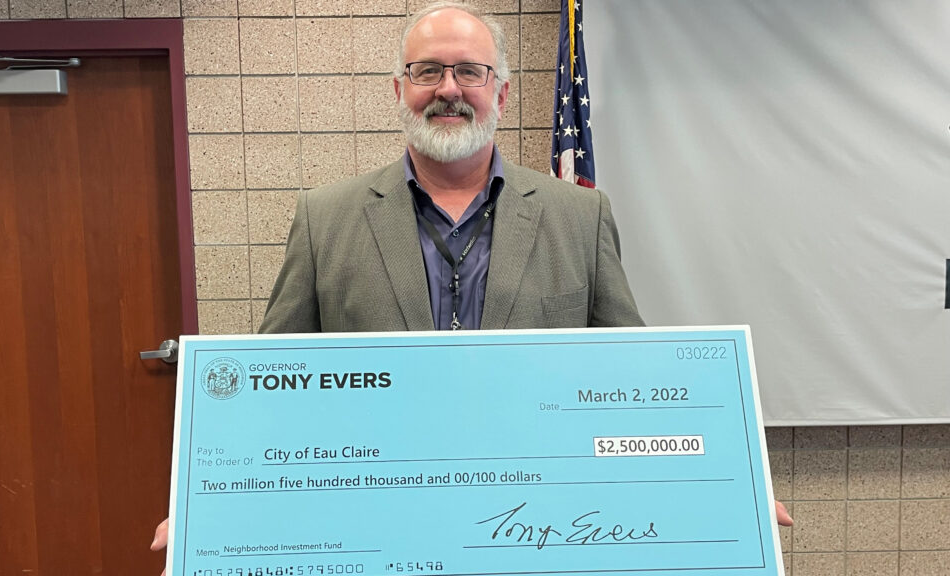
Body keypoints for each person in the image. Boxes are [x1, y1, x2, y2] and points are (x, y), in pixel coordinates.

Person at [151, 2, 791, 571]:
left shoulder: (579, 216)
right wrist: (212, 509)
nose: (448, 89)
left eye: (469, 72)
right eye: (427, 71)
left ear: (502, 93)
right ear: (400, 89)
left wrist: (721, 478)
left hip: (534, 528)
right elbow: (274, 385)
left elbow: (632, 375)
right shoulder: (327, 218)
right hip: (383, 529)